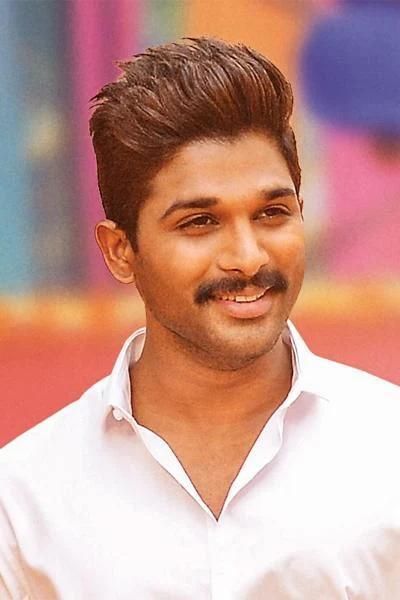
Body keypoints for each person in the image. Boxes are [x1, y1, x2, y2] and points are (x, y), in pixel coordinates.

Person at [1, 37, 399, 599]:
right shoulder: (23, 503)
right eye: (199, 223)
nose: (248, 257)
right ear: (121, 250)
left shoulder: (389, 449)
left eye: (272, 213)